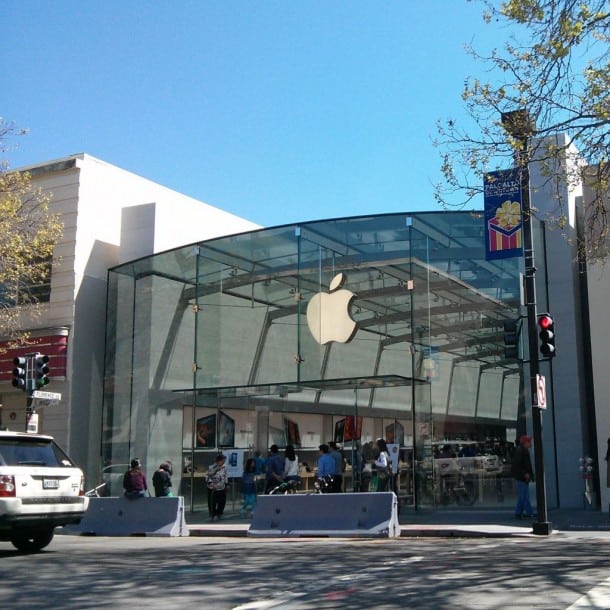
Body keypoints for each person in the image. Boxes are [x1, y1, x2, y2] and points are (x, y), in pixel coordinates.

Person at [511, 435, 535, 519]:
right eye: (529, 441)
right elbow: (517, 465)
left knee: (523, 495)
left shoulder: (522, 450)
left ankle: (518, 512)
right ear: (525, 443)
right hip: (522, 477)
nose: (530, 443)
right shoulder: (521, 451)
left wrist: (529, 474)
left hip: (522, 476)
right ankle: (529, 512)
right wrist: (525, 473)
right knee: (524, 496)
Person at [206, 453, 228, 520]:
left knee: (222, 502)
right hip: (213, 488)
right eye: (223, 460)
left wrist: (227, 484)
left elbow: (225, 476)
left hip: (222, 487)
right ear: (219, 460)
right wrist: (210, 483)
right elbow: (207, 475)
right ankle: (212, 515)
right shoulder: (211, 467)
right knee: (212, 502)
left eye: (224, 460)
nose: (224, 461)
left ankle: (220, 514)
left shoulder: (224, 467)